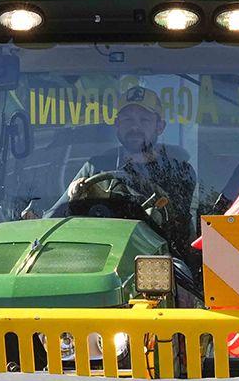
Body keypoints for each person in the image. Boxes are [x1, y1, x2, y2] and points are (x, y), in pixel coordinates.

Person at [48, 86, 213, 257]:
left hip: (163, 260)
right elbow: (57, 216)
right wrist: (76, 197)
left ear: (160, 126)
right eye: (127, 120)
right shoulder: (95, 167)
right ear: (117, 125)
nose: (135, 127)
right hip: (104, 255)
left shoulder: (179, 171)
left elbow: (177, 224)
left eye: (144, 120)